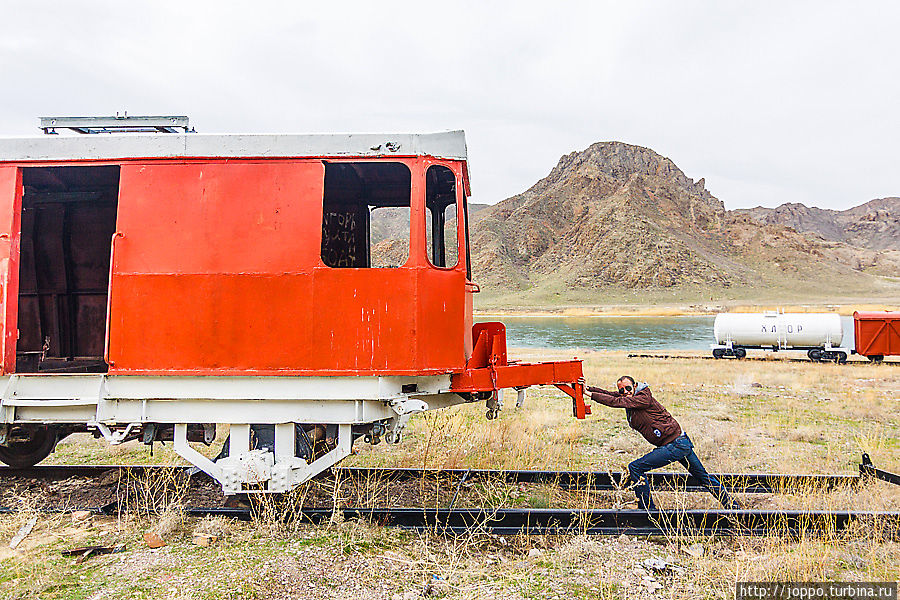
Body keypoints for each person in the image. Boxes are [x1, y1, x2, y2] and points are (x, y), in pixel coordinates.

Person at [584, 375, 738, 510]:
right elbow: (612, 395)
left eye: (628, 388)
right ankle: (733, 507)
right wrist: (587, 388)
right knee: (704, 478)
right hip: (679, 443)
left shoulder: (643, 398)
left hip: (675, 445)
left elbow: (615, 401)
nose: (625, 392)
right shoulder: (629, 398)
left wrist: (590, 395)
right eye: (622, 390)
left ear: (635, 386)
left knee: (635, 468)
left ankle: (646, 509)